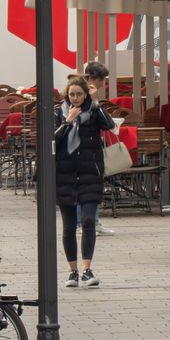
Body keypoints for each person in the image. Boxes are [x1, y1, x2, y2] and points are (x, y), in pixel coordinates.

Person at [53, 78, 115, 288]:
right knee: (69, 227)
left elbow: (110, 125)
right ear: (66, 95)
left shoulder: (94, 112)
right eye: (72, 94)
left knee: (88, 221)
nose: (76, 98)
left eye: (80, 94)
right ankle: (73, 272)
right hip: (65, 175)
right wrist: (68, 121)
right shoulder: (59, 113)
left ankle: (87, 270)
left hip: (90, 174)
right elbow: (52, 141)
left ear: (86, 95)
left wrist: (96, 103)